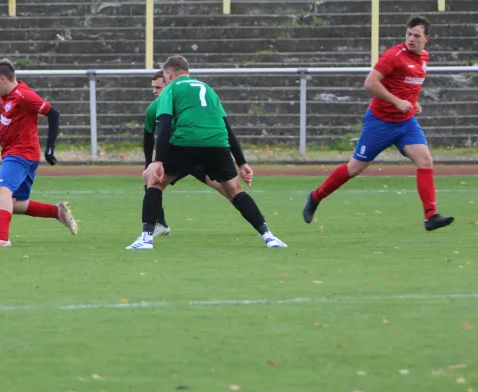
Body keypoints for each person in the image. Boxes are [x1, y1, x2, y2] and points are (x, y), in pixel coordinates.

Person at [303, 15, 454, 232]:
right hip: (380, 123)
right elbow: (370, 83)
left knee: (425, 160)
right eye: (409, 34)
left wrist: (413, 102)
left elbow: (407, 84)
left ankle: (430, 216)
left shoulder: (424, 58)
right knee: (354, 168)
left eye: (416, 36)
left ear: (426, 38)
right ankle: (316, 196)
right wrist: (397, 101)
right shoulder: (393, 56)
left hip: (406, 123)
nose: (411, 39)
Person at [126, 55, 287, 250]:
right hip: (217, 143)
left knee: (154, 181)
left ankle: (146, 238)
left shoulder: (171, 89)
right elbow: (227, 127)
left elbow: (166, 124)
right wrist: (242, 163)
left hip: (186, 141)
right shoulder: (208, 89)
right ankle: (269, 236)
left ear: (169, 74)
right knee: (235, 190)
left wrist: (158, 160)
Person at [0, 58, 78, 248]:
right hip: (20, 154)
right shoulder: (7, 95)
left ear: (2, 80)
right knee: (14, 204)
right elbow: (12, 114)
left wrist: (50, 147)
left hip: (20, 154)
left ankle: (1, 239)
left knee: (2, 191)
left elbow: (53, 113)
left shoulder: (25, 95)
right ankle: (57, 212)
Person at [142, 70, 241, 237]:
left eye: (158, 87)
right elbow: (148, 137)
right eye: (153, 87)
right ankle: (161, 224)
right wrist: (149, 163)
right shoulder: (154, 109)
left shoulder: (185, 103)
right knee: (149, 176)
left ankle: (256, 221)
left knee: (227, 189)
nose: (155, 91)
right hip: (178, 158)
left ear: (170, 86)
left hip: (197, 156)